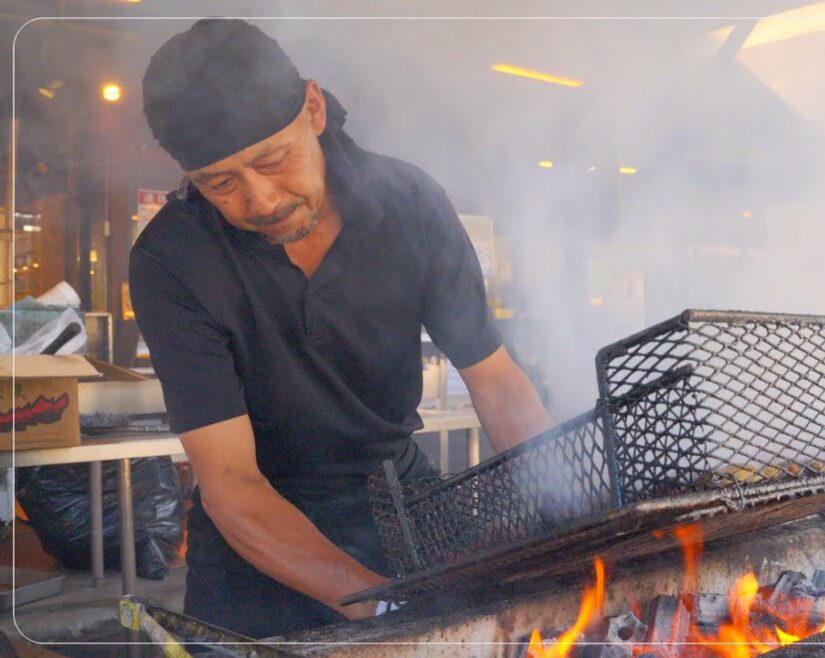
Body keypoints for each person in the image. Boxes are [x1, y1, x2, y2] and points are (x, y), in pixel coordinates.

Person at [130, 18, 555, 638]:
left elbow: (498, 386)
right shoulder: (173, 259)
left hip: (405, 509)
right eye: (221, 183)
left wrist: (572, 519)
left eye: (274, 160)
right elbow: (230, 483)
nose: (262, 201)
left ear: (314, 107)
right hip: (259, 550)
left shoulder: (409, 202)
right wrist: (381, 607)